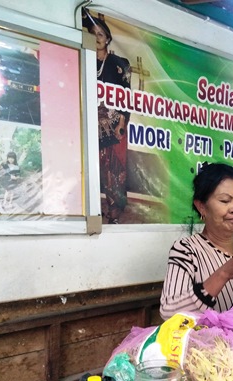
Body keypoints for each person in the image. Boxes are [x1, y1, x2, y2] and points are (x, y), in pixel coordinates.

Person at [159, 163, 233, 319]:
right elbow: (168, 312)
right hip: (207, 343)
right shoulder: (186, 250)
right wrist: (224, 273)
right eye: (225, 201)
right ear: (202, 207)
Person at [83, 8, 131, 224]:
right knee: (95, 166)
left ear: (108, 38)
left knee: (115, 167)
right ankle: (97, 207)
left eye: (100, 34)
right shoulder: (84, 60)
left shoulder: (118, 64)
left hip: (114, 124)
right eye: (92, 33)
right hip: (93, 124)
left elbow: (126, 96)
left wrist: (122, 122)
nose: (96, 38)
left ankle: (116, 209)